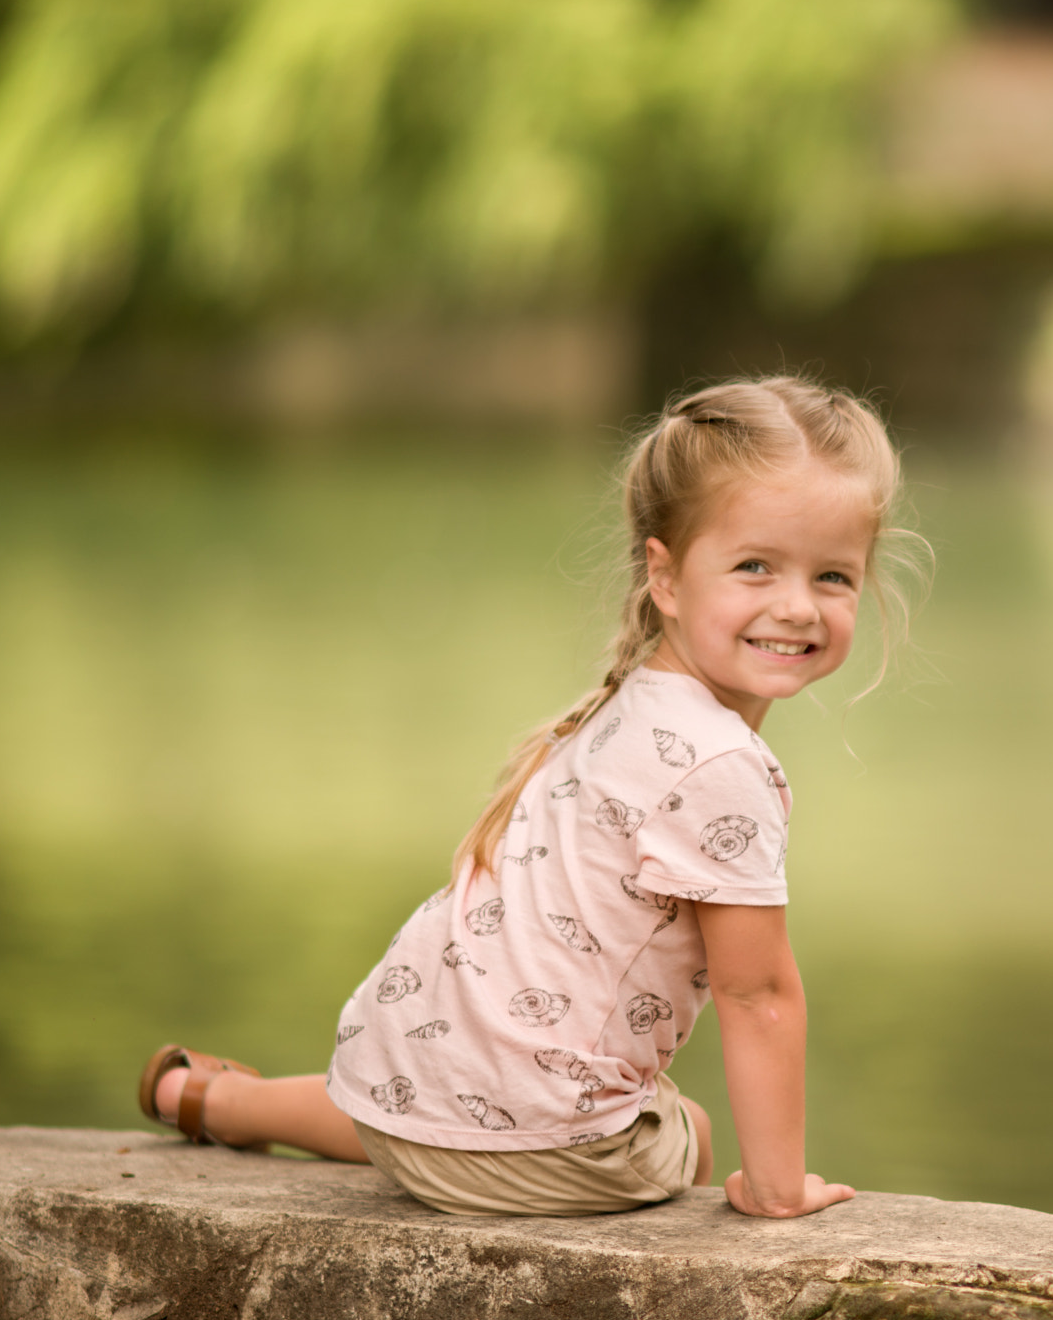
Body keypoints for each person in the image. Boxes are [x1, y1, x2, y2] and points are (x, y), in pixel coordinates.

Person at [137, 376, 918, 1220]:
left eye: (833, 575)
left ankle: (211, 1100)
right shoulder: (721, 763)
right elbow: (756, 993)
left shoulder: (628, 703)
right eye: (755, 565)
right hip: (527, 1139)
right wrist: (775, 1189)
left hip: (398, 1080)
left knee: (471, 1083)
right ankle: (238, 1106)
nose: (797, 606)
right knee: (685, 1124)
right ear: (666, 577)